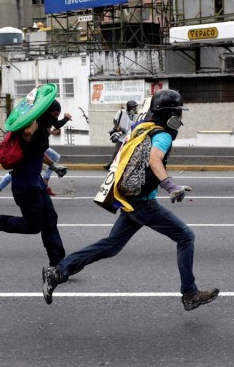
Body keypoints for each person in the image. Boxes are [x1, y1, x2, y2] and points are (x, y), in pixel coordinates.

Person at [42, 90, 220, 311]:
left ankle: (57, 272)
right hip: (143, 202)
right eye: (177, 112)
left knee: (111, 246)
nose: (180, 117)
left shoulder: (142, 129)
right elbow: (155, 160)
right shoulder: (162, 134)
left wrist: (170, 185)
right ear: (167, 114)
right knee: (186, 237)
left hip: (130, 198)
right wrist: (170, 186)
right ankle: (190, 294)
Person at [0, 100, 69, 271]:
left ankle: (59, 263)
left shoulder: (43, 128)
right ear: (44, 111)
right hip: (26, 185)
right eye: (54, 114)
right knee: (33, 226)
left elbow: (39, 151)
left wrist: (53, 165)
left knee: (50, 220)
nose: (56, 117)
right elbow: (28, 132)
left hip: (36, 182)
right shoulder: (31, 126)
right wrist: (35, 110)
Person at [0, 111, 72, 208]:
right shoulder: (38, 116)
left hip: (38, 146)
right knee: (20, 172)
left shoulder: (45, 117)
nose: (56, 117)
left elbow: (55, 124)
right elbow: (28, 132)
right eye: (56, 114)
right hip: (30, 146)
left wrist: (64, 119)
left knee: (21, 171)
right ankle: (45, 181)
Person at [104, 100, 138, 170]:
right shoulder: (121, 112)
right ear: (129, 107)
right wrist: (117, 127)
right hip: (121, 134)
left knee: (128, 151)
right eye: (133, 108)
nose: (134, 109)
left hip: (129, 136)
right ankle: (110, 164)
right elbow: (114, 119)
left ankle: (124, 165)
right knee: (116, 150)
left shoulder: (136, 115)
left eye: (135, 107)